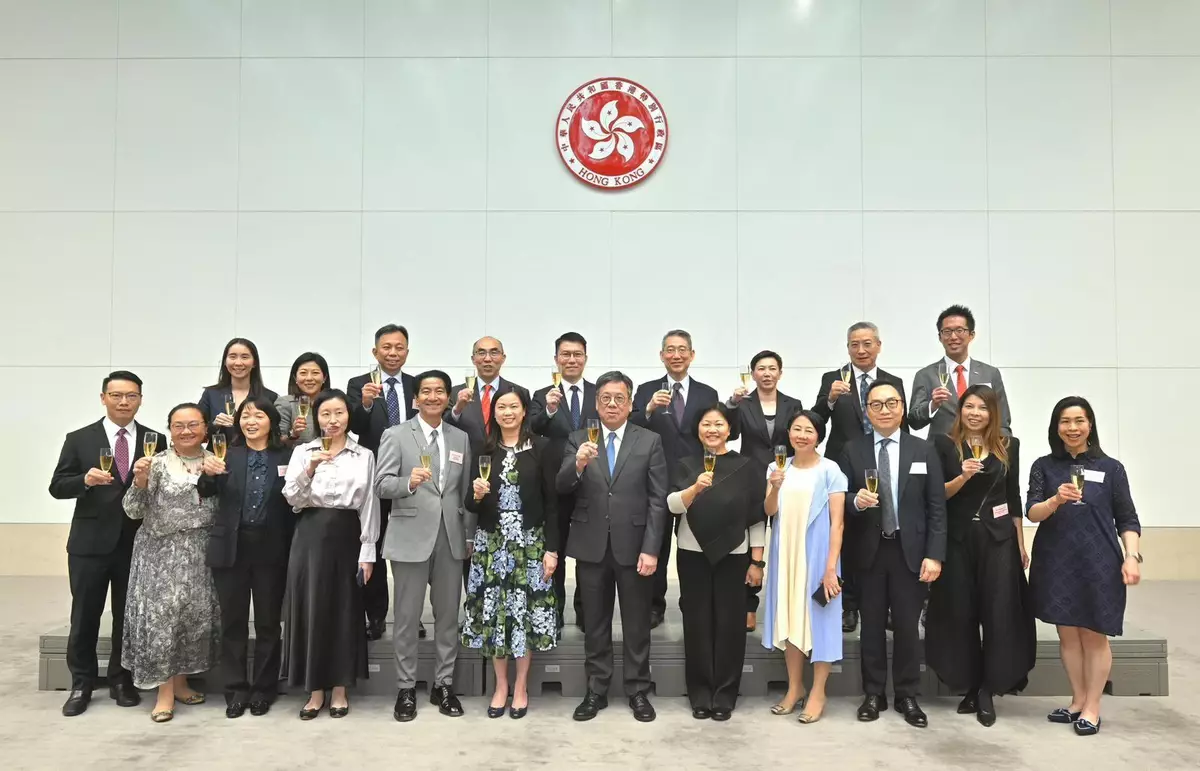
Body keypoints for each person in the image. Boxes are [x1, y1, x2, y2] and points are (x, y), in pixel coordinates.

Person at [1026, 396, 1142, 737]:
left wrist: (1132, 556)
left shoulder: (1111, 468)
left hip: (1099, 561)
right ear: (1056, 427)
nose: (1072, 428)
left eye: (1079, 421)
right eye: (1065, 421)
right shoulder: (1044, 466)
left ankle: (1093, 707)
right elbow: (1032, 512)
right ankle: (1077, 700)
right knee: (1067, 634)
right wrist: (1055, 499)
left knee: (1094, 635)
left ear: (1090, 425)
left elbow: (1127, 518)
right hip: (1056, 560)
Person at [558, 371, 668, 723]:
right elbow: (562, 486)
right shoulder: (578, 439)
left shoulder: (649, 440)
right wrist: (578, 464)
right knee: (595, 623)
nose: (612, 404)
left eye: (619, 398)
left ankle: (637, 689)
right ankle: (597, 689)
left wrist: (651, 549)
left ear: (630, 403)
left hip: (635, 547)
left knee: (637, 623)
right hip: (591, 545)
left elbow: (658, 500)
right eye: (605, 398)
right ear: (596, 402)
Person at [837, 381, 946, 728]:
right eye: (876, 404)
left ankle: (907, 694)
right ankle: (873, 693)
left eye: (891, 403)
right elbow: (840, 498)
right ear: (867, 411)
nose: (884, 410)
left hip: (909, 551)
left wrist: (935, 554)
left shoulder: (922, 449)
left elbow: (936, 507)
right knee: (870, 626)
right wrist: (855, 501)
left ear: (902, 408)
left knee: (906, 626)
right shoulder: (852, 449)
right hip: (868, 550)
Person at [925, 385, 1035, 727]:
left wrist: (1020, 543)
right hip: (957, 539)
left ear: (993, 413)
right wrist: (963, 476)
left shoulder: (1008, 445)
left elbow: (1013, 498)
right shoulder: (944, 444)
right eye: (969, 406)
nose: (975, 413)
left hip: (998, 539)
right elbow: (937, 494)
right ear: (960, 411)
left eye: (982, 408)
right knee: (961, 612)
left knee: (999, 612)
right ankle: (970, 685)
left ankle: (990, 687)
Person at [49, 371, 156, 716]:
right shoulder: (80, 438)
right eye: (116, 395)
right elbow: (57, 486)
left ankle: (121, 680)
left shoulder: (155, 439)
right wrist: (84, 479)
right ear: (103, 398)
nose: (124, 402)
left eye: (131, 396)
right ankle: (81, 683)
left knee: (127, 617)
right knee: (85, 616)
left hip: (135, 543)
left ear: (140, 399)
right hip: (90, 544)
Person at [374, 371, 473, 722]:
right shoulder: (396, 435)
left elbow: (464, 492)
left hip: (450, 536)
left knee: (448, 617)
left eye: (440, 391)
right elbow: (382, 485)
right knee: (406, 618)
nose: (433, 397)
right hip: (410, 536)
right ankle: (405, 687)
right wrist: (408, 482)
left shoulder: (460, 437)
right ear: (415, 399)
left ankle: (443, 684)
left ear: (448, 398)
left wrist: (469, 535)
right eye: (426, 391)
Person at [282, 389, 380, 720]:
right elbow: (291, 498)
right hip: (309, 536)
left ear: (348, 416)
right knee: (311, 609)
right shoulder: (303, 451)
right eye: (326, 414)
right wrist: (309, 469)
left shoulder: (363, 455)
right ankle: (315, 692)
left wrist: (368, 551)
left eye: (339, 413)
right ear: (317, 418)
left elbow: (369, 504)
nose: (333, 420)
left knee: (344, 611)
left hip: (347, 536)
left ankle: (340, 690)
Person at [121, 403, 221, 723]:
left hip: (201, 552)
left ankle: (180, 683)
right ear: (169, 430)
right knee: (163, 621)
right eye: (178, 425)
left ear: (205, 429)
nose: (186, 431)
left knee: (191, 619)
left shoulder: (217, 461)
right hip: (159, 553)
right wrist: (139, 481)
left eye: (193, 424)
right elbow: (133, 510)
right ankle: (164, 693)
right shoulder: (155, 463)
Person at [463, 389, 560, 719]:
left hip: (529, 544)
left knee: (524, 615)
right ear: (494, 413)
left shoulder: (541, 449)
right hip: (492, 546)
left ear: (524, 412)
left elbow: (552, 504)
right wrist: (476, 495)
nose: (507, 412)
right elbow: (470, 503)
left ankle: (520, 687)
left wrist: (552, 550)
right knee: (496, 616)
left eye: (513, 407)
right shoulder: (483, 449)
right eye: (501, 407)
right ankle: (500, 685)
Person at [667, 403, 765, 721]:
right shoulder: (685, 463)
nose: (712, 429)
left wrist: (757, 562)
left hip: (735, 554)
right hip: (691, 552)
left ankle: (725, 695)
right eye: (706, 424)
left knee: (730, 625)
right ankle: (700, 694)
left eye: (718, 424)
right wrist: (694, 488)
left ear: (729, 429)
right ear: (697, 429)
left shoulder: (746, 466)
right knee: (696, 624)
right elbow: (672, 505)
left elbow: (756, 516)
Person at [200, 396, 294, 718]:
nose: (251, 421)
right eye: (245, 416)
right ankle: (236, 689)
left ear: (272, 421)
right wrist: (207, 472)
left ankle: (264, 690)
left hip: (271, 547)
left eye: (258, 416)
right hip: (232, 547)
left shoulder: (288, 455)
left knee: (268, 623)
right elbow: (206, 491)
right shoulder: (227, 453)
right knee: (233, 623)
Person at [813, 321, 907, 634]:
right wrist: (829, 399)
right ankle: (849, 605)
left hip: (884, 460)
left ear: (878, 346)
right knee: (849, 532)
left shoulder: (893, 381)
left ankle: (886, 605)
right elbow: (816, 422)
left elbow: (902, 423)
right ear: (848, 348)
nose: (861, 350)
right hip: (844, 464)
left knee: (884, 528)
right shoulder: (832, 378)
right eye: (855, 344)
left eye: (867, 343)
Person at [631, 330, 722, 628]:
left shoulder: (707, 393)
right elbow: (631, 428)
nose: (676, 355)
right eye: (670, 350)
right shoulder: (646, 390)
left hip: (694, 482)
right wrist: (648, 409)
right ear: (661, 356)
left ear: (692, 355)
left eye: (682, 349)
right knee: (655, 545)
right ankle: (654, 606)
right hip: (655, 480)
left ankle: (692, 605)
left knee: (693, 548)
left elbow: (715, 431)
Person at [762, 410, 846, 724]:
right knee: (790, 617)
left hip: (820, 557)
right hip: (786, 554)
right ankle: (795, 687)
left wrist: (830, 568)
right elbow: (769, 511)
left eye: (808, 430)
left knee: (820, 621)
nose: (801, 435)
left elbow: (838, 524)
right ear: (789, 434)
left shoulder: (830, 470)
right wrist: (774, 487)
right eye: (796, 429)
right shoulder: (776, 467)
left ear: (818, 435)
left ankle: (818, 692)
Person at [347, 324, 418, 642]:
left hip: (411, 478)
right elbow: (355, 426)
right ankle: (375, 617)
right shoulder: (359, 384)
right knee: (372, 545)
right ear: (375, 351)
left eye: (399, 347)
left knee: (409, 549)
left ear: (407, 351)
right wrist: (364, 403)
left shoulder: (416, 384)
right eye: (386, 347)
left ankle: (409, 616)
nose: (393, 353)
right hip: (374, 476)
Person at [727, 349, 803, 631]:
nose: (767, 373)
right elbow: (732, 433)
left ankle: (787, 602)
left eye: (772, 368)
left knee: (786, 539)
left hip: (785, 477)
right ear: (753, 373)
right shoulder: (743, 403)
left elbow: (800, 437)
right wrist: (731, 405)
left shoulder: (793, 404)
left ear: (780, 373)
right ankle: (749, 605)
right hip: (751, 477)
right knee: (751, 543)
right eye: (761, 368)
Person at [528, 331, 597, 630]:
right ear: (556, 359)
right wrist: (549, 410)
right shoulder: (542, 395)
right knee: (553, 548)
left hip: (593, 481)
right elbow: (532, 427)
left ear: (585, 357)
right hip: (554, 482)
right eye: (565, 354)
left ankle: (586, 612)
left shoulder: (599, 392)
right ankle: (553, 612)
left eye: (577, 354)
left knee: (589, 551)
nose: (571, 359)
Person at [909, 304, 1012, 436]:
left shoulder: (990, 374)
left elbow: (1002, 420)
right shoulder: (926, 375)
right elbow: (914, 422)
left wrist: (1003, 447)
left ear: (971, 335)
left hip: (980, 446)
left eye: (959, 330)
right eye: (947, 331)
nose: (953, 337)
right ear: (940, 337)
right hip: (940, 448)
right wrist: (932, 406)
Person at [447, 336, 529, 455]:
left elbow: (527, 430)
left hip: (507, 459)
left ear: (503, 358)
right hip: (468, 460)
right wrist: (457, 409)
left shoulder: (519, 392)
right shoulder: (456, 393)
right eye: (481, 353)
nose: (487, 359)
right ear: (473, 359)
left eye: (494, 353)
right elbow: (444, 427)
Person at [198, 338, 278, 442]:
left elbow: (276, 433)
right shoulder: (211, 394)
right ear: (225, 362)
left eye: (244, 357)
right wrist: (214, 425)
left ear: (254, 363)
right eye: (232, 357)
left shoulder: (270, 397)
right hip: (219, 451)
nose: (238, 363)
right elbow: (197, 429)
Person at [275, 351, 330, 446]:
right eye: (303, 373)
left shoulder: (333, 403)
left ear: (324, 377)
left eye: (315, 373)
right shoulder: (285, 403)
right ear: (295, 378)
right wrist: (293, 434)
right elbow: (276, 442)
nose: (309, 378)